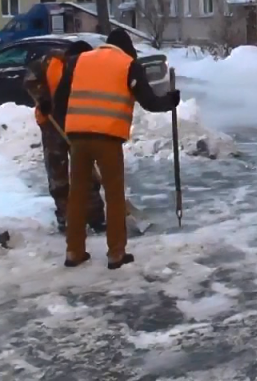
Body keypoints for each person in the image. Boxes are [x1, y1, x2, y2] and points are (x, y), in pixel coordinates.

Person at [52, 28, 180, 269]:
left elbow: (60, 99)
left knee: (77, 194)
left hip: (77, 138)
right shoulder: (128, 64)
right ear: (126, 48)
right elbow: (149, 101)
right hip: (107, 138)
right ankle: (115, 254)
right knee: (113, 195)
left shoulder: (80, 60)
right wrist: (170, 102)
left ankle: (74, 251)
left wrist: (68, 128)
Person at [23, 40, 107, 234]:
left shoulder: (88, 70)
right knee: (58, 171)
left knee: (87, 170)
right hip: (52, 124)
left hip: (78, 123)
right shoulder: (49, 62)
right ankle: (66, 217)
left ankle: (95, 217)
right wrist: (42, 98)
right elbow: (29, 79)